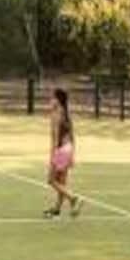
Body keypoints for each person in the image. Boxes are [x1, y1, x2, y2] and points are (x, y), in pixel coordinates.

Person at [44, 88, 81, 218]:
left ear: (57, 100)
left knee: (51, 180)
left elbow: (55, 137)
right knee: (62, 181)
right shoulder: (66, 113)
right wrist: (72, 154)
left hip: (60, 149)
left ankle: (73, 198)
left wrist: (52, 156)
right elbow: (72, 136)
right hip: (68, 148)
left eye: (52, 98)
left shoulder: (56, 115)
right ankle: (57, 209)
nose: (50, 101)